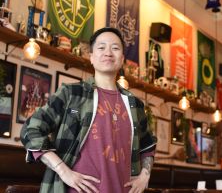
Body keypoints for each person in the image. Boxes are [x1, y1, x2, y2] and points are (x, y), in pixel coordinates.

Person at [20, 27, 157, 193]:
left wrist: (145, 175)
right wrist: (64, 171)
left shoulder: (134, 104)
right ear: (91, 57)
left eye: (115, 48)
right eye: (101, 47)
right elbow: (31, 129)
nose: (108, 53)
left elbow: (148, 146)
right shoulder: (71, 94)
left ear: (122, 59)